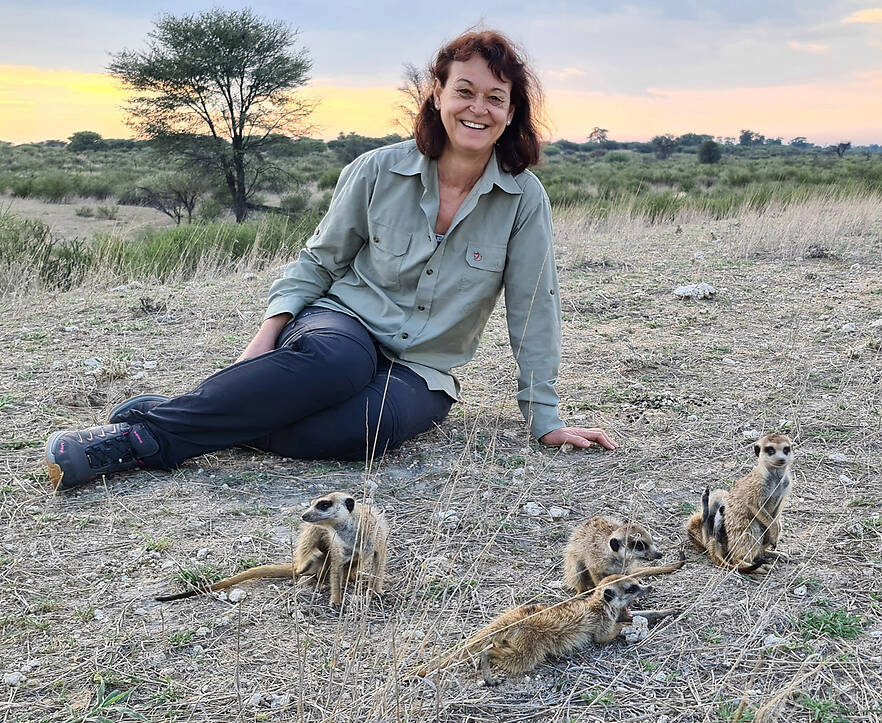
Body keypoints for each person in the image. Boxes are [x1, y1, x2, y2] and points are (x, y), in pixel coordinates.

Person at [45, 29, 617, 491]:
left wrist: (545, 420)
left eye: (496, 97)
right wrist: (266, 335)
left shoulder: (524, 199)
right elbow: (318, 262)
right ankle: (143, 439)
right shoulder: (375, 171)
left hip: (423, 368)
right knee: (336, 368)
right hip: (342, 324)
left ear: (513, 112)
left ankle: (184, 408)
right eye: (464, 91)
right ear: (437, 95)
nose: (478, 108)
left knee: (357, 431)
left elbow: (533, 308)